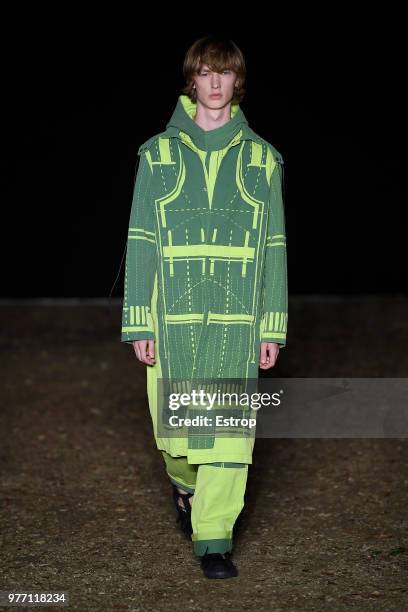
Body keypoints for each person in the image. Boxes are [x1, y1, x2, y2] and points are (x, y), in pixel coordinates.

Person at [121, 34, 288, 579]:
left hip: (238, 322)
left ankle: (213, 539)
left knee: (229, 434)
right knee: (174, 435)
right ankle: (183, 484)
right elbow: (141, 240)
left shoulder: (263, 159)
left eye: (225, 74)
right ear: (191, 80)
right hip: (172, 320)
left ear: (237, 82)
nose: (215, 83)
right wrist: (138, 322)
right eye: (204, 73)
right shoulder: (158, 154)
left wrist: (272, 326)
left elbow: (275, 247)